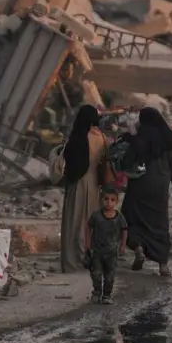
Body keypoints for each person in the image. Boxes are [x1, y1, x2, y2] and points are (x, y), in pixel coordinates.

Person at [120, 107, 172, 276]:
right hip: (160, 188)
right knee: (159, 224)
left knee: (130, 219)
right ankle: (163, 264)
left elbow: (127, 162)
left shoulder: (139, 139)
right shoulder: (169, 140)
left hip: (138, 186)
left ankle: (138, 247)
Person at [58, 105, 109, 273]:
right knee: (89, 224)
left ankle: (73, 262)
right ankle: (90, 260)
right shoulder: (101, 137)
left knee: (75, 222)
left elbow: (70, 162)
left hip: (78, 184)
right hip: (95, 186)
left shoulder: (79, 137)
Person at [84, 186, 127, 304]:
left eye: (112, 200)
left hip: (112, 251)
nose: (109, 202)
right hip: (97, 250)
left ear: (116, 202)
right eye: (106, 199)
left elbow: (124, 230)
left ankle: (107, 295)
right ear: (101, 200)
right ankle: (97, 291)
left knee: (109, 275)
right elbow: (88, 228)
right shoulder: (96, 216)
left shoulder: (119, 217)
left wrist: (122, 245)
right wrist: (87, 244)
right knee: (96, 273)